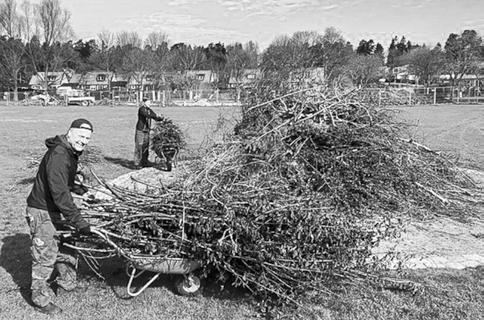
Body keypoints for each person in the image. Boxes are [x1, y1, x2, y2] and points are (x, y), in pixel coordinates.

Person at [25, 119, 94, 315]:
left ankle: (67, 282)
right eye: (81, 136)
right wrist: (80, 222)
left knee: (66, 245)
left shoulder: (69, 152)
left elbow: (65, 183)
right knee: (44, 256)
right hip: (42, 211)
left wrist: (82, 190)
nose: (84, 141)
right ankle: (40, 300)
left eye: (87, 138)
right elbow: (60, 195)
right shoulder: (59, 155)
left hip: (54, 210)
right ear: (70, 133)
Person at [134, 98, 164, 168]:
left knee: (145, 147)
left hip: (147, 131)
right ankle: (137, 163)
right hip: (140, 130)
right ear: (144, 103)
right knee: (139, 146)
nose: (150, 104)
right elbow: (147, 115)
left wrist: (160, 118)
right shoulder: (141, 109)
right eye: (148, 102)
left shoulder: (149, 110)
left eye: (150, 102)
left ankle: (145, 162)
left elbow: (154, 116)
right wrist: (156, 115)